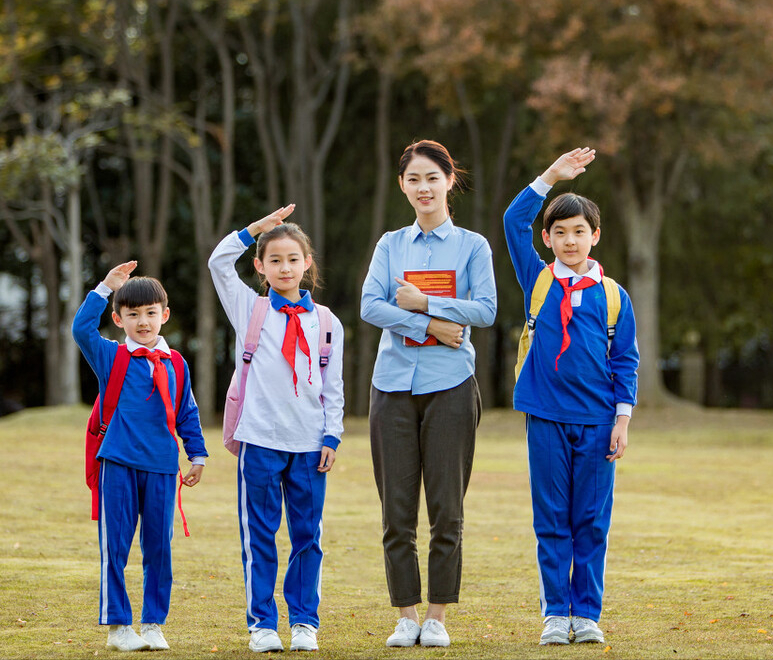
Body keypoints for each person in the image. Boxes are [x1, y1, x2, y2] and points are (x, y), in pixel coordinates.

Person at [360, 139, 497, 648]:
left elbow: (485, 310)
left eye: (432, 178)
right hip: (390, 386)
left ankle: (437, 616)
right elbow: (370, 306)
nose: (423, 188)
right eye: (414, 179)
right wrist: (433, 325)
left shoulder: (473, 246)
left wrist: (425, 302)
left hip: (452, 388)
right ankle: (405, 615)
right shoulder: (390, 244)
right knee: (396, 510)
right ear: (403, 185)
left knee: (446, 508)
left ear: (449, 181)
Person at [503, 147, 639, 645]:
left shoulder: (613, 295)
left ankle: (586, 613)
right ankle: (555, 614)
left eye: (579, 230)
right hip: (545, 415)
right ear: (547, 238)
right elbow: (512, 220)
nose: (569, 240)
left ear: (595, 236)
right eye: (559, 232)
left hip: (600, 421)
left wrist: (622, 420)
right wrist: (549, 177)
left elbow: (625, 360)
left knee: (592, 521)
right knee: (553, 518)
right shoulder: (538, 279)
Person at [208, 206, 344, 654]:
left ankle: (305, 622)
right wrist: (255, 229)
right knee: (259, 535)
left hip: (309, 446)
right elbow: (217, 262)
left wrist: (332, 436)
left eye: (293, 259)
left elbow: (333, 386)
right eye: (275, 260)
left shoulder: (326, 322)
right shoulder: (251, 308)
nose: (285, 268)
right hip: (260, 441)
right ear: (261, 266)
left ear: (308, 263)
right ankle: (262, 623)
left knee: (308, 537)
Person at [72, 262, 207, 653]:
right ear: (118, 319)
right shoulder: (111, 357)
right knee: (115, 546)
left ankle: (152, 623)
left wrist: (197, 454)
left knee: (158, 549)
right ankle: (117, 627)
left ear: (164, 315)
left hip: (163, 468)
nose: (143, 322)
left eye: (150, 313)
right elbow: (81, 329)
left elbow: (187, 412)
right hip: (117, 463)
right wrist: (104, 288)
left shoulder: (177, 363)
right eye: (133, 315)